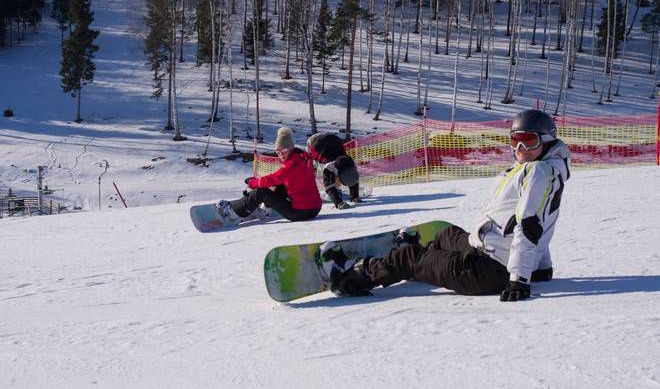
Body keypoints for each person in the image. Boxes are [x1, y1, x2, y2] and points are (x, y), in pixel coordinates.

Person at [319, 109, 571, 302]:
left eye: (529, 141)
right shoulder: (546, 171)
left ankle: (351, 278)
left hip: (488, 272)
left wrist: (520, 279)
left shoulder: (537, 172)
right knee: (446, 234)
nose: (520, 148)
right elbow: (545, 222)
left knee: (411, 257)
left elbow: (530, 226)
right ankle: (425, 258)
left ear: (546, 142)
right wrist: (541, 267)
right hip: (488, 252)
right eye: (515, 140)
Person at [217, 127, 322, 223]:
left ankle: (233, 213)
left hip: (300, 212)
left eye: (284, 150)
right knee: (280, 185)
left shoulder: (293, 164)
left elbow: (274, 178)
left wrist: (253, 183)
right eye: (278, 151)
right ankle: (263, 209)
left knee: (261, 192)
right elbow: (279, 179)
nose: (281, 154)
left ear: (291, 148)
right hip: (314, 208)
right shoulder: (302, 158)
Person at [306, 132, 361, 210]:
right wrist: (338, 203)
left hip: (332, 138)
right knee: (311, 170)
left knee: (338, 175)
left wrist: (355, 197)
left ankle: (338, 188)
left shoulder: (350, 162)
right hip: (313, 143)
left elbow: (353, 177)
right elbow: (328, 186)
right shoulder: (330, 167)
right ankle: (309, 193)